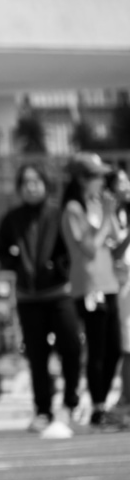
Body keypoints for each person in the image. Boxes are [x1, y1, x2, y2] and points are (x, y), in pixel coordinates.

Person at [0, 164, 82, 437]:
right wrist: (16, 265)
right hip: (28, 297)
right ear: (20, 187)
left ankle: (70, 404)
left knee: (71, 348)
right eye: (26, 182)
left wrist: (59, 268)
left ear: (45, 184)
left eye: (36, 181)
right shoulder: (12, 218)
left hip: (59, 294)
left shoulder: (58, 214)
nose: (32, 186)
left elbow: (72, 248)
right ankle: (42, 410)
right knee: (37, 356)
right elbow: (2, 252)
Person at [59, 153, 125, 430]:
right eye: (97, 176)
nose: (102, 182)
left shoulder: (99, 205)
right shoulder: (74, 209)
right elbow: (88, 248)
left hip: (109, 283)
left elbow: (115, 247)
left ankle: (102, 404)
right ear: (82, 179)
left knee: (114, 348)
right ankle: (98, 408)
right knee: (97, 349)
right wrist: (109, 215)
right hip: (88, 286)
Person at [105, 166, 130, 421]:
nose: (127, 185)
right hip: (123, 286)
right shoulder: (109, 215)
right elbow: (115, 253)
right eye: (121, 182)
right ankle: (125, 399)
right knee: (128, 346)